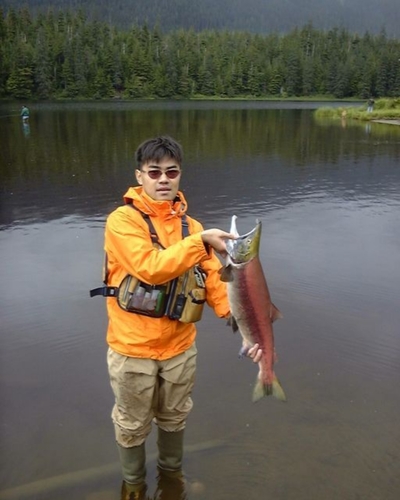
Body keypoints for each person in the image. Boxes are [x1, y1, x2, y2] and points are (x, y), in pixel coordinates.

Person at [94, 136, 262, 500]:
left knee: (175, 417)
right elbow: (149, 268)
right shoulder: (122, 221)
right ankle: (134, 487)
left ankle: (171, 481)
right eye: (154, 172)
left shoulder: (192, 226)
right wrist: (201, 241)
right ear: (140, 176)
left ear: (180, 175)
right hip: (131, 349)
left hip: (179, 348)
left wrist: (245, 327)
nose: (163, 179)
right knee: (132, 424)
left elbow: (217, 283)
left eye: (171, 172)